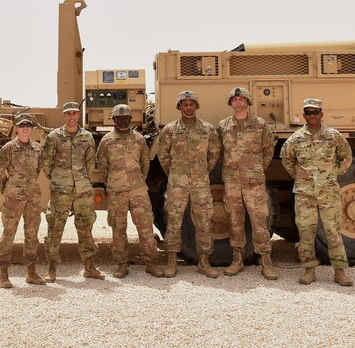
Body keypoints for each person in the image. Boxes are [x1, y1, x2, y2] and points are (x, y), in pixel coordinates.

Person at [281, 98, 355, 287]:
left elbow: (346, 156)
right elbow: (286, 159)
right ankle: (309, 271)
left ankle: (339, 272)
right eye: (308, 112)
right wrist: (300, 176)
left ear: (321, 114)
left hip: (328, 192)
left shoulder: (333, 136)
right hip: (304, 193)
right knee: (306, 232)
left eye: (315, 112)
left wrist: (334, 175)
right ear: (304, 115)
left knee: (333, 231)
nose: (312, 115)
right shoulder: (296, 138)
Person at [153, 90, 220, 278]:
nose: (188, 107)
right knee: (174, 222)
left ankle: (204, 262)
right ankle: (172, 262)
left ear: (196, 106)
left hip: (200, 183)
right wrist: (174, 173)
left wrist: (203, 170)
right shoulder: (170, 129)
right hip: (177, 183)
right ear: (180, 107)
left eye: (191, 104)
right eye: (185, 104)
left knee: (203, 222)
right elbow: (163, 154)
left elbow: (214, 152)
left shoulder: (207, 129)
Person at [96, 104, 164, 278]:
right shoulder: (107, 141)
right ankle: (121, 264)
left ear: (130, 118)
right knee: (118, 229)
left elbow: (145, 164)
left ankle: (152, 263)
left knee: (146, 228)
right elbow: (103, 166)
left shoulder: (139, 139)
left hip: (138, 191)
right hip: (117, 191)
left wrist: (137, 180)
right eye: (119, 118)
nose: (123, 120)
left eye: (126, 117)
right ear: (114, 120)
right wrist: (112, 182)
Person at [218, 86, 279, 280]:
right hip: (232, 181)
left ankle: (266, 262)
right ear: (231, 103)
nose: (238, 102)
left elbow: (269, 149)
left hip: (254, 182)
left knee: (259, 220)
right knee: (235, 221)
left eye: (242, 99)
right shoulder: (224, 125)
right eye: (235, 99)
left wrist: (257, 168)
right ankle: (237, 260)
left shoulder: (260, 125)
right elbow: (219, 151)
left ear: (248, 102)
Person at [42, 101, 103, 281]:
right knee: (55, 227)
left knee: (85, 227)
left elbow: (90, 163)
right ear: (64, 116)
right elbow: (46, 163)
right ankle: (51, 269)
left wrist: (81, 179)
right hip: (60, 190)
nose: (71, 117)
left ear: (78, 115)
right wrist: (59, 179)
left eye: (74, 113)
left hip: (82, 189)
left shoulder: (87, 137)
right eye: (68, 114)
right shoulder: (54, 137)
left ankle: (89, 267)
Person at [0, 114, 46, 288]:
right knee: (9, 233)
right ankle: (3, 274)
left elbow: (38, 169)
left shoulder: (37, 149)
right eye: (22, 125)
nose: (25, 128)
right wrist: (7, 190)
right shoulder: (9, 148)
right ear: (16, 127)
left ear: (31, 128)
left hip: (32, 198)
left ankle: (31, 273)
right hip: (13, 198)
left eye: (28, 125)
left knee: (32, 234)